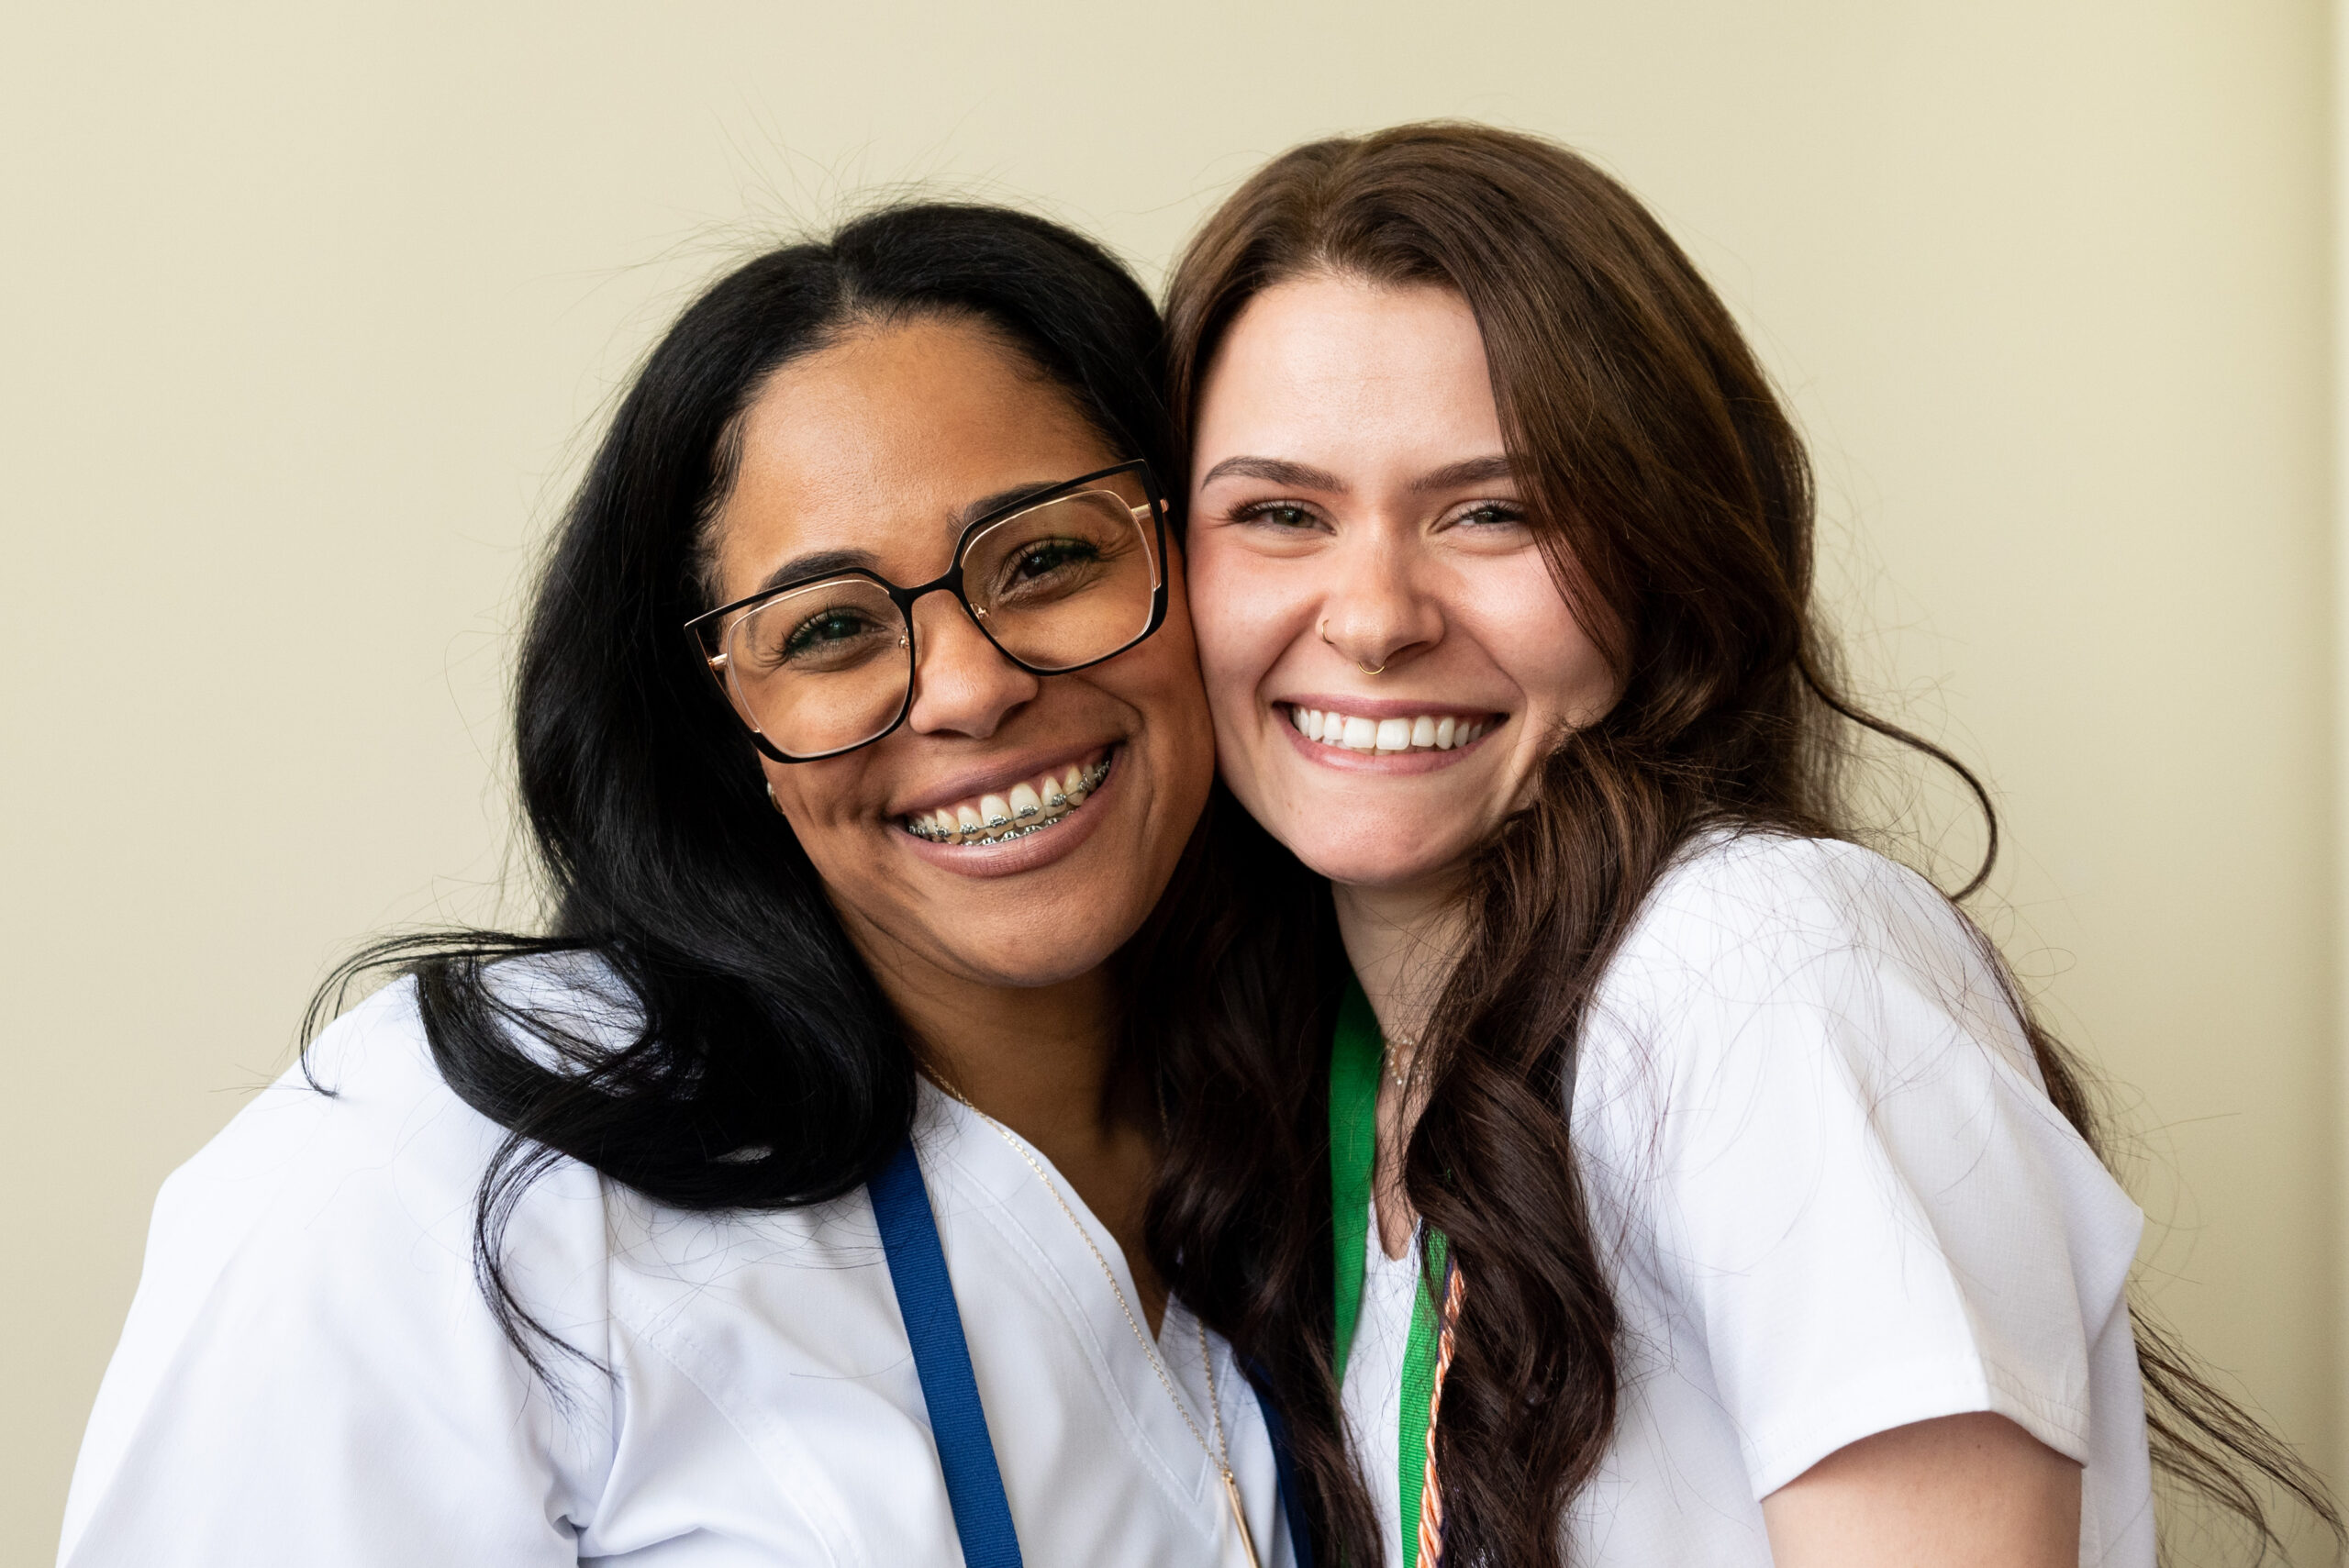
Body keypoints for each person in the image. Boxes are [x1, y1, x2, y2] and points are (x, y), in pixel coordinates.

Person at [1150, 124, 2338, 1568]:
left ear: (1663, 552)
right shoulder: (1334, 1079)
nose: (1375, 614)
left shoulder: (1762, 962)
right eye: (1281, 513)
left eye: (1494, 511)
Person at [60, 204, 1301, 1567]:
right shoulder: (446, 1170)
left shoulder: (1358, 1136)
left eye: (1053, 556)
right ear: (722, 727)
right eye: (828, 629)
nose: (971, 685)